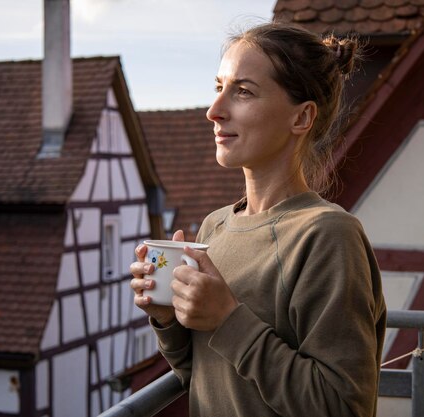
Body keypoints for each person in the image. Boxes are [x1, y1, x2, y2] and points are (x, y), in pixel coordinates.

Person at [130, 21, 386, 417]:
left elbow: (343, 407)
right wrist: (168, 319)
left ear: (301, 119)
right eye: (219, 88)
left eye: (243, 92)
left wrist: (227, 319)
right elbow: (207, 378)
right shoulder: (214, 228)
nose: (214, 111)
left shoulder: (328, 236)